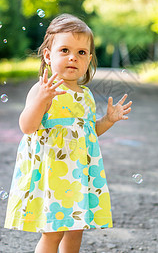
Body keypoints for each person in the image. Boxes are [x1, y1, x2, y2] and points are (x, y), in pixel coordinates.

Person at [4, 13, 132, 253]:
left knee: (75, 233)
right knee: (53, 234)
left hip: (78, 175)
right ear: (48, 56)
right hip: (52, 176)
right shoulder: (43, 89)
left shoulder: (86, 96)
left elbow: (88, 133)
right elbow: (27, 127)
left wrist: (108, 120)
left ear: (89, 59)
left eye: (81, 53)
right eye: (64, 50)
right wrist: (41, 100)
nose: (73, 57)